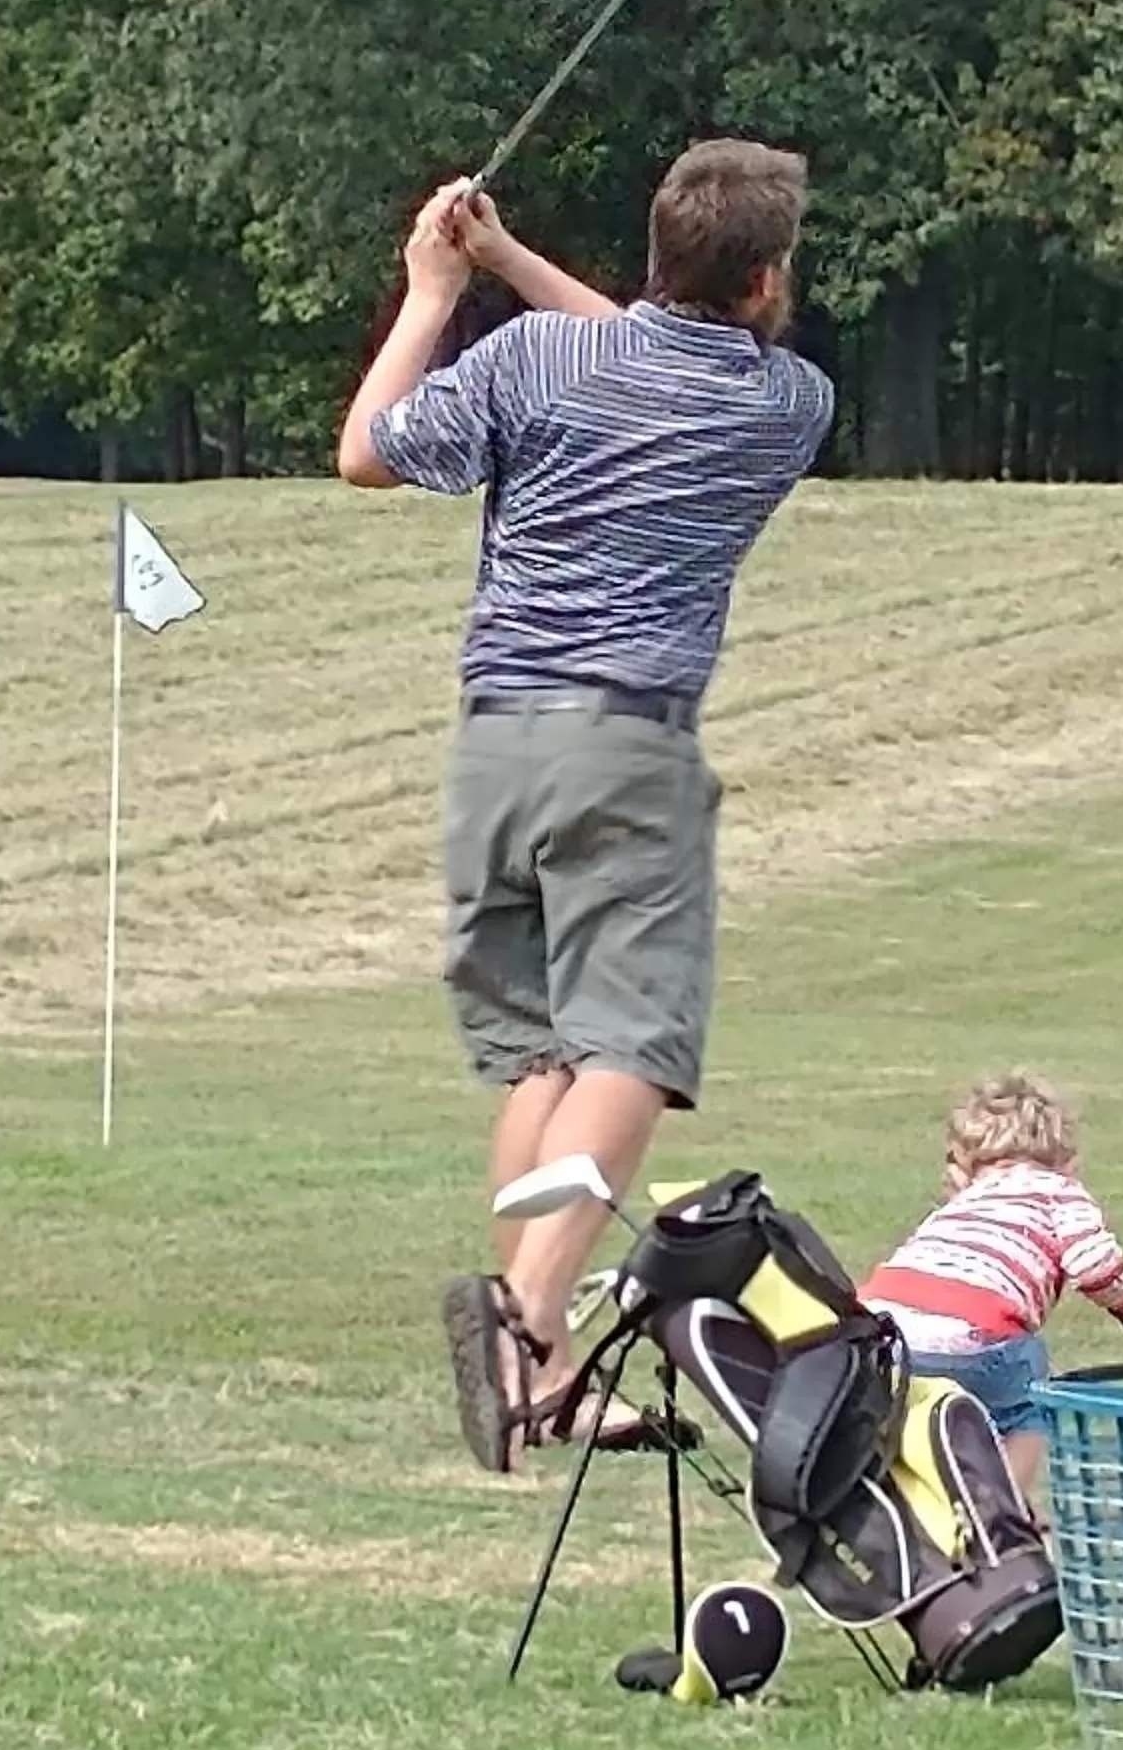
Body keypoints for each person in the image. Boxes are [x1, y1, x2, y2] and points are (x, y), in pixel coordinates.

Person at [337, 139, 834, 1472]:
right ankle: (527, 1319)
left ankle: (542, 1373)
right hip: (631, 746)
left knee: (543, 1058)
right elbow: (645, 354)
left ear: (663, 247)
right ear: (767, 276)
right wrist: (490, 269)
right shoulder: (790, 401)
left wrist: (444, 287)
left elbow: (367, 451)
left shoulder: (536, 361)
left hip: (496, 746)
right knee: (635, 1049)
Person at [859, 1071, 1123, 1493]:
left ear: (962, 1167)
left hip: (877, 1330)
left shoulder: (961, 1203)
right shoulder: (1059, 1191)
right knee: (1029, 1402)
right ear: (1069, 1160)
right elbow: (1094, 1265)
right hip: (973, 1334)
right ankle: (1001, 1517)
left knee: (911, 1411)